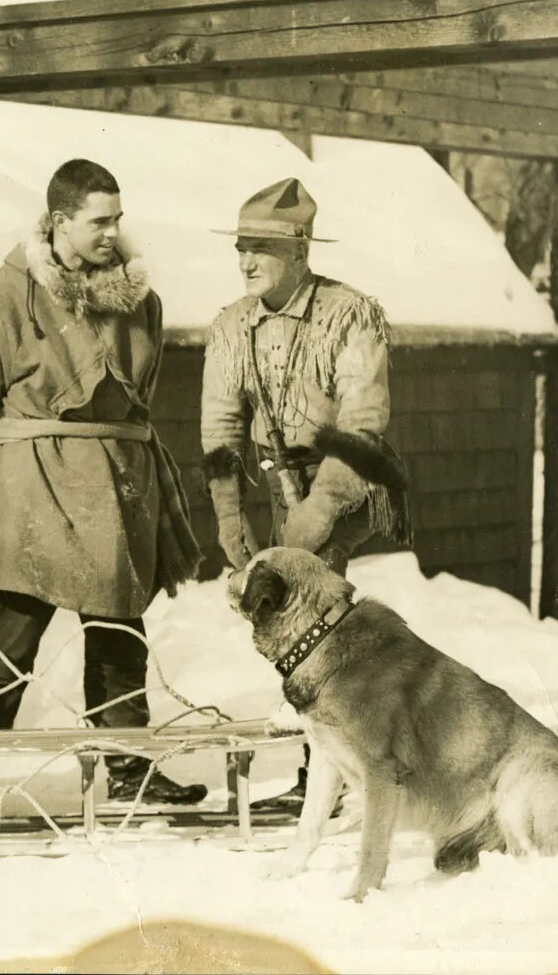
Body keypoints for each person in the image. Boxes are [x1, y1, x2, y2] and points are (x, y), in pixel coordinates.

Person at [0, 158, 207, 820]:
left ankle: (126, 767)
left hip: (113, 486)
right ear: (58, 223)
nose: (112, 232)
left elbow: (138, 397)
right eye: (98, 220)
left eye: (118, 219)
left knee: (120, 632)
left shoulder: (139, 301)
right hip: (33, 487)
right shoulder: (0, 299)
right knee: (12, 635)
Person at [200, 176, 410, 815]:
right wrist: (229, 517)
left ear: (300, 252)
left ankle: (332, 777)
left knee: (316, 620)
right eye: (241, 246)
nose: (248, 261)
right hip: (274, 481)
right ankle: (331, 765)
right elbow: (219, 425)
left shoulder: (347, 314)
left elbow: (363, 423)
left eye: (263, 247)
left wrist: (313, 517)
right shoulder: (232, 324)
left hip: (340, 483)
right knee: (287, 621)